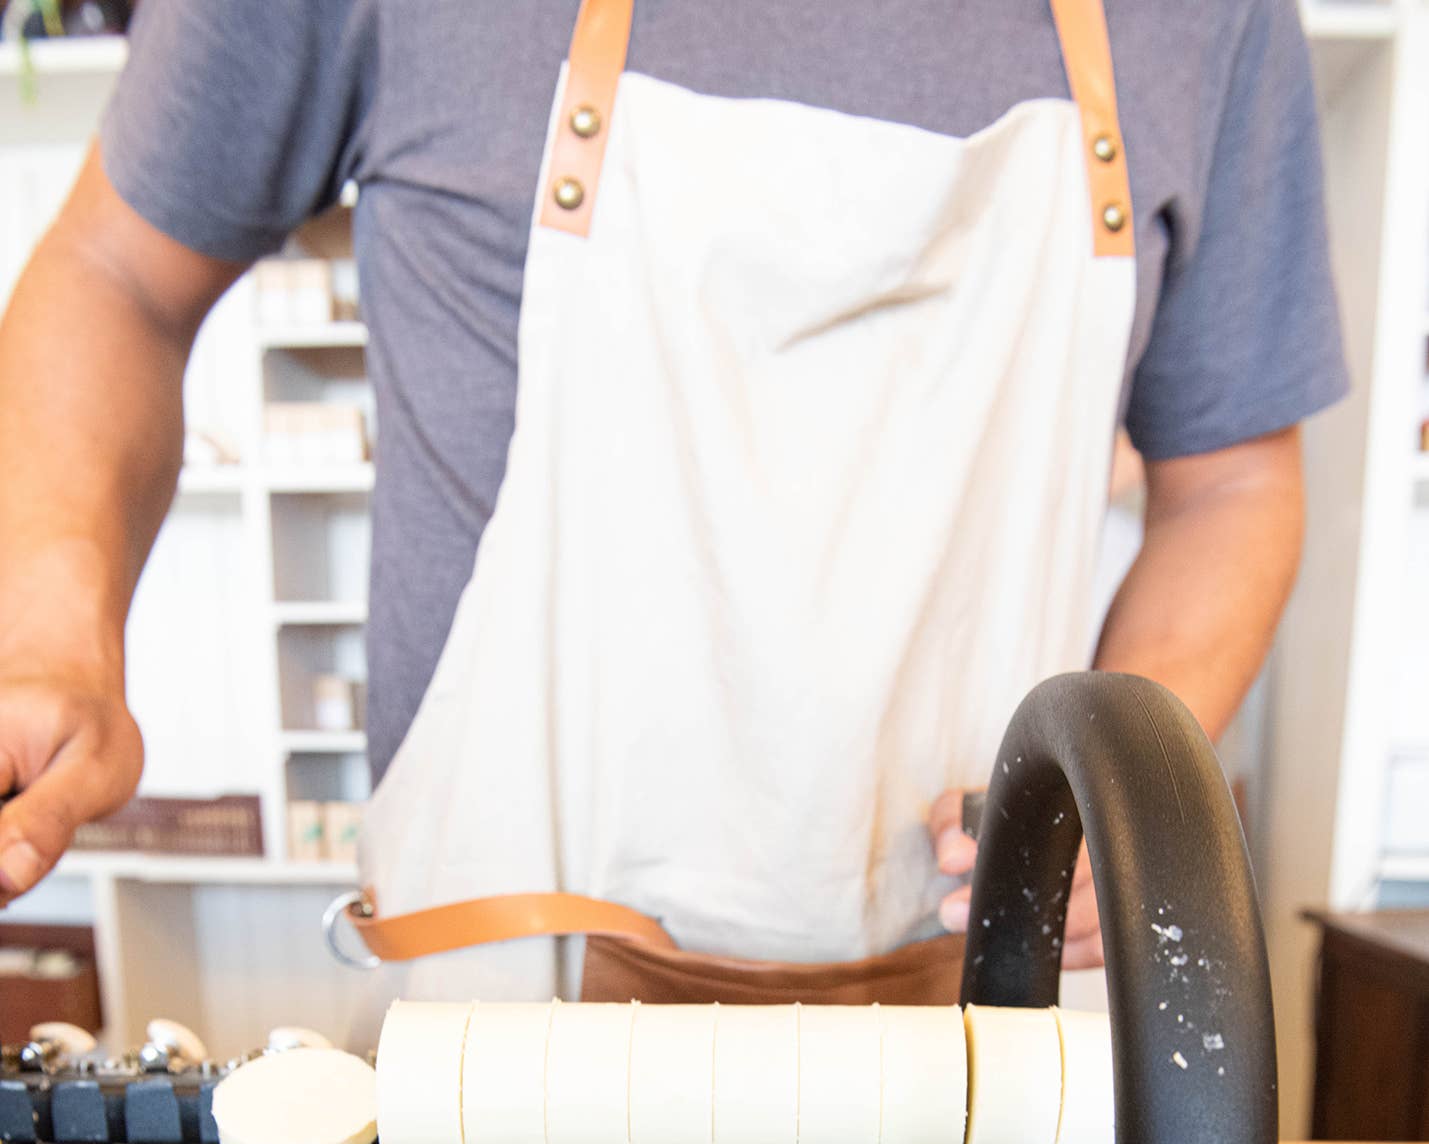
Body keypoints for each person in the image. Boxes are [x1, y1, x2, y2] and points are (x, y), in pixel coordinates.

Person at [0, 0, 1345, 1007]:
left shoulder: (1207, 15)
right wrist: (56, 627)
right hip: (501, 1048)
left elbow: (1228, 480)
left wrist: (1125, 786)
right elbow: (118, 275)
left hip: (992, 1037)